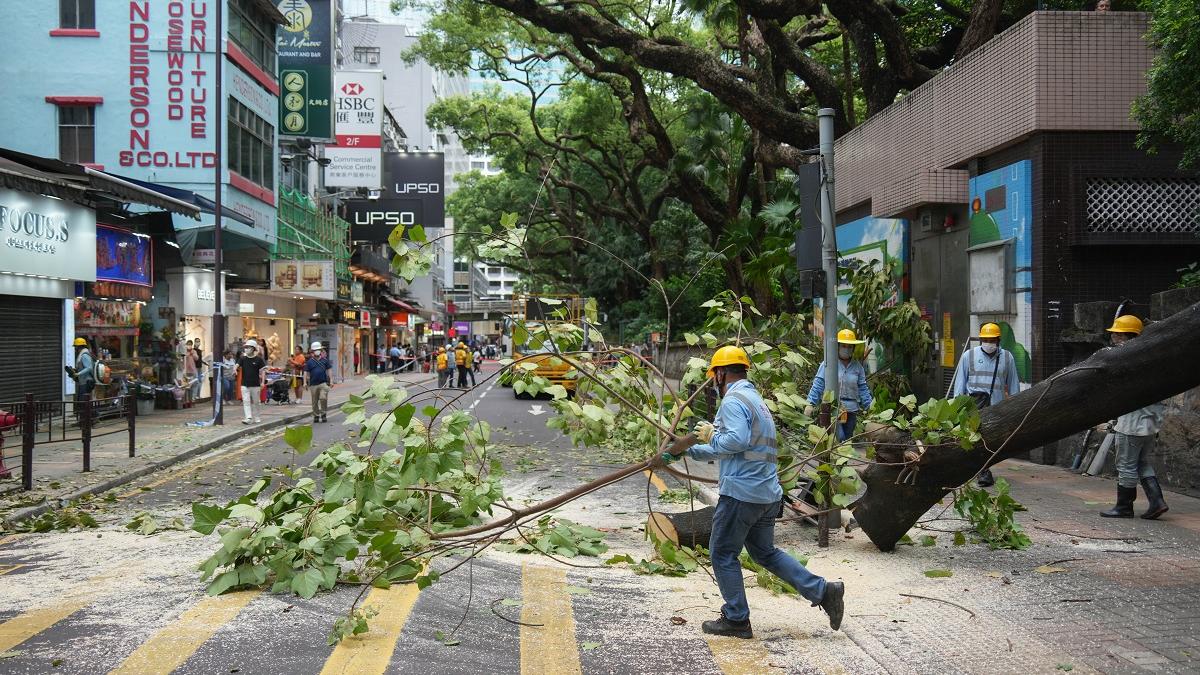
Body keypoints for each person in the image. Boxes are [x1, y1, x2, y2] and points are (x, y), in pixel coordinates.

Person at [657, 346, 844, 638]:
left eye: (714, 376)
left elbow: (735, 441)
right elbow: (737, 446)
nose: (714, 382)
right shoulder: (755, 401)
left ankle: (736, 619)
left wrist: (711, 436)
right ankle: (823, 591)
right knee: (765, 553)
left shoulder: (732, 401)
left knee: (721, 553)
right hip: (766, 494)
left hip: (743, 494)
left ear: (720, 373)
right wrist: (689, 450)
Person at [1100, 315, 1168, 520]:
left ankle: (1124, 506)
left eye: (1117, 335)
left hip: (1131, 423)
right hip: (1150, 423)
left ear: (1126, 336)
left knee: (1126, 465)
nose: (1113, 339)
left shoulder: (1127, 360)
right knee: (1142, 463)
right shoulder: (1152, 358)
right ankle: (1157, 502)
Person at [950, 322, 1020, 487]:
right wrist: (957, 407)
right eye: (986, 339)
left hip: (998, 408)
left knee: (991, 441)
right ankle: (984, 471)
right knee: (978, 439)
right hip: (975, 407)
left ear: (998, 340)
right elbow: (960, 383)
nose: (989, 343)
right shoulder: (969, 356)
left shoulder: (1007, 357)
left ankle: (981, 468)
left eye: (992, 340)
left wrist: (1016, 407)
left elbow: (1014, 384)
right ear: (981, 339)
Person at [804, 329, 873, 442]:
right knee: (838, 438)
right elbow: (819, 384)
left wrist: (870, 407)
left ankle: (842, 460)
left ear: (853, 348)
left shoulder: (857, 367)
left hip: (851, 410)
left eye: (849, 346)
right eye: (844, 346)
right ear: (838, 346)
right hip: (833, 408)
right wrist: (810, 403)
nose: (846, 349)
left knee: (847, 441)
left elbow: (863, 389)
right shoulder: (828, 364)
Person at [236, 339, 267, 424]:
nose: (246, 349)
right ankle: (248, 418)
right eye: (245, 347)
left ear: (253, 349)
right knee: (246, 401)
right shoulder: (243, 358)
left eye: (248, 347)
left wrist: (263, 382)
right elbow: (237, 365)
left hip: (255, 384)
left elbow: (263, 371)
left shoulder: (259, 359)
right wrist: (234, 369)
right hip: (244, 384)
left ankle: (257, 417)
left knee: (256, 402)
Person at [305, 341, 334, 424]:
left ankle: (323, 414)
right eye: (315, 350)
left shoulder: (325, 361)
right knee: (314, 401)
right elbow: (306, 373)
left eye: (318, 349)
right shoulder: (309, 362)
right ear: (312, 351)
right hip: (313, 384)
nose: (317, 351)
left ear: (320, 350)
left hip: (323, 383)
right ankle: (316, 415)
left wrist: (331, 380)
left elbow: (329, 370)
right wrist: (305, 382)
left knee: (323, 398)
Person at [65, 337, 96, 409]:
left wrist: (78, 374)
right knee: (84, 402)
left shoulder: (84, 355)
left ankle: (92, 417)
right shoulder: (82, 354)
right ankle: (88, 418)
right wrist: (74, 370)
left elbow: (89, 367)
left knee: (84, 402)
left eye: (75, 346)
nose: (75, 348)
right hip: (83, 382)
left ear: (78, 346)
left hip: (86, 382)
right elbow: (83, 367)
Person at [183, 340, 199, 407]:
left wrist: (192, 353)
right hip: (186, 371)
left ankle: (193, 399)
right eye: (188, 344)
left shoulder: (194, 351)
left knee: (195, 384)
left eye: (190, 344)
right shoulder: (184, 351)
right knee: (186, 386)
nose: (189, 345)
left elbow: (196, 358)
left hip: (193, 370)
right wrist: (187, 354)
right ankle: (186, 401)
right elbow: (183, 358)